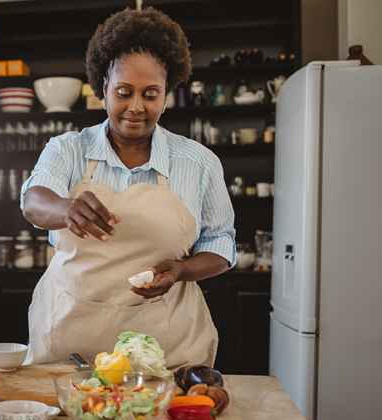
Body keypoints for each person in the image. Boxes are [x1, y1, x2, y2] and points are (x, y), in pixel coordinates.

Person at [21, 7, 236, 367]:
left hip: (166, 346)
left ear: (167, 93)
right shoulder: (67, 150)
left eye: (150, 94)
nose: (136, 107)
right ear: (103, 87)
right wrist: (66, 209)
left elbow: (221, 244)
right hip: (70, 342)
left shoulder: (198, 163)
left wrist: (182, 271)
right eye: (123, 92)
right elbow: (33, 201)